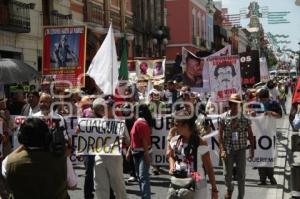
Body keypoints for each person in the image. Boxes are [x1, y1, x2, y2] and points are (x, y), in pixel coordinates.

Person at [1, 118, 68, 199]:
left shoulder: (9, 161)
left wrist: (24, 144)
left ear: (20, 138)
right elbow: (73, 184)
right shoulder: (61, 159)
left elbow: (7, 182)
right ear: (48, 137)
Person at [167, 109, 218, 199]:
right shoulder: (175, 140)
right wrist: (172, 167)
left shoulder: (200, 142)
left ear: (186, 125)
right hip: (179, 180)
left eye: (176, 124)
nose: (174, 127)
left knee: (198, 183)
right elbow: (170, 155)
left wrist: (214, 190)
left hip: (197, 178)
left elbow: (209, 168)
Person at [219, 94, 255, 199]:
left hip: (241, 149)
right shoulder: (223, 117)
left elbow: (251, 135)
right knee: (227, 176)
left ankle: (240, 197)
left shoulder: (245, 117)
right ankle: (230, 188)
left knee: (241, 176)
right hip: (228, 149)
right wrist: (222, 150)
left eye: (237, 104)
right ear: (230, 105)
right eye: (233, 104)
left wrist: (252, 150)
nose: (235, 106)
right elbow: (220, 135)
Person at [93, 96, 129, 199]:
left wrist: (121, 139)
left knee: (118, 185)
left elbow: (128, 140)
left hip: (114, 157)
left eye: (107, 107)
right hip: (100, 156)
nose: (104, 110)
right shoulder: (96, 123)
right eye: (103, 108)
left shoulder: (119, 123)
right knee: (100, 185)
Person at [126, 104, 154, 199]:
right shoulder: (138, 122)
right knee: (140, 177)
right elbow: (134, 139)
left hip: (142, 153)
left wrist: (146, 155)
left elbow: (144, 140)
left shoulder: (139, 123)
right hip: (137, 152)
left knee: (143, 177)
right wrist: (129, 150)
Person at [256, 89, 282, 185]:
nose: (262, 101)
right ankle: (262, 179)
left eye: (264, 99)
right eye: (261, 99)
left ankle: (271, 177)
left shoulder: (274, 103)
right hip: (259, 134)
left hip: (270, 133)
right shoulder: (257, 104)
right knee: (260, 156)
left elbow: (280, 115)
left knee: (270, 156)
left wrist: (271, 113)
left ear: (267, 97)